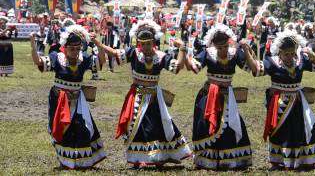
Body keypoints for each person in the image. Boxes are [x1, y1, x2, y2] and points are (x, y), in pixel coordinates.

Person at [93, 20, 192, 168]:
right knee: (137, 128)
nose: (145, 47)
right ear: (138, 42)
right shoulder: (134, 53)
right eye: (143, 43)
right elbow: (114, 53)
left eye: (148, 43)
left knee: (160, 126)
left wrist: (183, 49)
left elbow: (177, 68)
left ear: (153, 42)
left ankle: (160, 156)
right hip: (137, 95)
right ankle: (139, 158)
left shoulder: (161, 56)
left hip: (154, 97)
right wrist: (99, 45)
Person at [29, 25, 106, 169]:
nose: (76, 52)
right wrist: (33, 46)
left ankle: (82, 161)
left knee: (81, 128)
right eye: (72, 49)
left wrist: (98, 45)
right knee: (61, 129)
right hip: (59, 100)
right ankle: (65, 161)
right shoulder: (56, 58)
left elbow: (101, 62)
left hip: (78, 100)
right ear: (65, 47)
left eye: (78, 49)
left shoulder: (84, 59)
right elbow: (39, 63)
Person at [185, 24, 257, 170]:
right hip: (209, 95)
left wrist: (246, 50)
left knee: (231, 125)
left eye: (225, 46)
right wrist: (183, 52)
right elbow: (193, 68)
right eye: (219, 48)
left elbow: (253, 69)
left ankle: (231, 159)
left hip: (227, 95)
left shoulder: (234, 53)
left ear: (229, 43)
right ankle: (204, 160)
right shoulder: (207, 53)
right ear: (213, 45)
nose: (223, 50)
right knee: (204, 126)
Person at [252, 30, 315, 170]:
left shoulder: (301, 60)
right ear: (279, 53)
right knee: (279, 130)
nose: (289, 57)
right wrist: (247, 51)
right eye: (286, 54)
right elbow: (256, 70)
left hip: (298, 102)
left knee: (299, 129)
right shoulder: (272, 62)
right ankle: (277, 161)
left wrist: (313, 55)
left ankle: (302, 160)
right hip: (279, 103)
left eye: (292, 53)